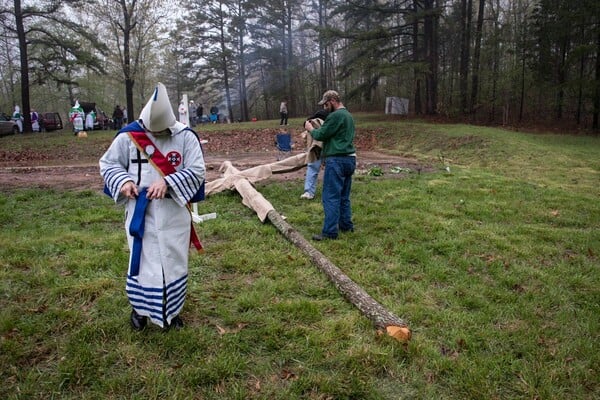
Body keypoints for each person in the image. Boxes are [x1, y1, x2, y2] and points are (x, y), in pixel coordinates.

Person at [99, 82, 206, 331]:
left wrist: (168, 182)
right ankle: (140, 310)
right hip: (140, 211)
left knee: (173, 260)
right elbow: (109, 164)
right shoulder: (128, 136)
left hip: (173, 213)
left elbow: (197, 170)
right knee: (143, 262)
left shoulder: (185, 136)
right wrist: (124, 181)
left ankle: (172, 312)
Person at [303, 90, 356, 241]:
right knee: (344, 196)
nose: (325, 108)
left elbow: (321, 135)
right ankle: (346, 226)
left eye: (326, 104)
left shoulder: (335, 116)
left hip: (337, 161)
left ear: (332, 101)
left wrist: (310, 128)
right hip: (350, 159)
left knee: (330, 197)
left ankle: (330, 232)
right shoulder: (348, 116)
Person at [300, 108, 329, 200]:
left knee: (312, 169)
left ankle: (309, 192)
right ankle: (330, 191)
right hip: (323, 149)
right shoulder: (328, 121)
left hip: (317, 149)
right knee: (329, 170)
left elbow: (306, 124)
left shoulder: (312, 123)